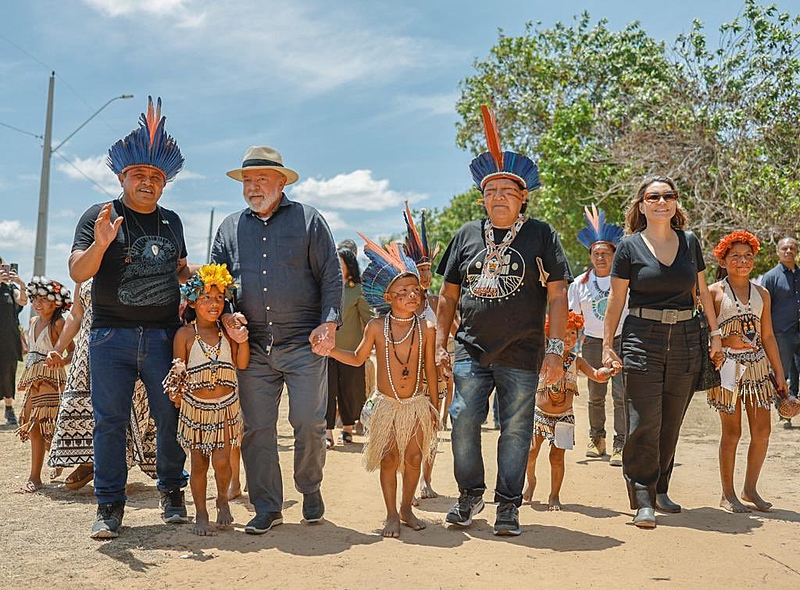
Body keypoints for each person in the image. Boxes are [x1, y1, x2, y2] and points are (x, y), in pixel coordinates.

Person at [436, 106, 571, 536]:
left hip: (523, 350)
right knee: (462, 420)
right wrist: (441, 342)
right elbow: (447, 294)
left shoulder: (541, 234)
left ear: (523, 197)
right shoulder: (465, 235)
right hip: (471, 350)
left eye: (507, 192)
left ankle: (508, 505)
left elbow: (558, 293)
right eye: (491, 191)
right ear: (482, 198)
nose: (498, 197)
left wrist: (555, 350)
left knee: (515, 429)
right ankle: (469, 494)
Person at [70, 97, 192, 539]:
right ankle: (108, 506)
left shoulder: (172, 221)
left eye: (156, 177)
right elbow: (78, 271)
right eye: (139, 174)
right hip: (109, 337)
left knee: (170, 416)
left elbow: (180, 269)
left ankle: (172, 494)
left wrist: (214, 278)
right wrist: (101, 244)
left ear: (165, 184)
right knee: (110, 421)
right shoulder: (99, 216)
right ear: (122, 176)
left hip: (162, 338)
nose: (148, 182)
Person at [211, 146, 342, 534]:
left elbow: (331, 277)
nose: (253, 187)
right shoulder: (229, 229)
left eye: (261, 179)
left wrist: (329, 323)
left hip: (305, 344)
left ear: (281, 182)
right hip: (253, 348)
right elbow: (218, 286)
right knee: (256, 428)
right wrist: (226, 314)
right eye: (248, 181)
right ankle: (267, 505)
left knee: (308, 422)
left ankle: (310, 487)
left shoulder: (309, 220)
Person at [603, 175, 724, 529]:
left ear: (675, 203)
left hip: (687, 336)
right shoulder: (628, 247)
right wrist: (608, 346)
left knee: (672, 419)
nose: (661, 201)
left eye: (668, 196)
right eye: (653, 196)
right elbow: (616, 299)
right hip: (642, 337)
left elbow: (702, 291)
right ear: (642, 205)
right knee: (644, 420)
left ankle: (660, 488)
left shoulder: (690, 242)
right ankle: (642, 497)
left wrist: (715, 334)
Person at [319, 237, 439, 537]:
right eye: (403, 291)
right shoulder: (376, 327)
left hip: (416, 405)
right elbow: (359, 358)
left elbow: (431, 372)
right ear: (388, 297)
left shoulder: (425, 328)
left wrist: (436, 408)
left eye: (415, 290)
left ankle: (406, 508)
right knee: (388, 459)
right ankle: (390, 515)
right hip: (386, 405)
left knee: (413, 458)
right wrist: (330, 351)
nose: (412, 295)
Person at [46, 278, 158, 489]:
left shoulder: (132, 261)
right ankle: (91, 461)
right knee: (86, 404)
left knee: (127, 404)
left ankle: (114, 466)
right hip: (88, 348)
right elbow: (76, 314)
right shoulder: (87, 268)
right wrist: (59, 349)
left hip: (127, 345)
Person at [166, 264, 249, 535]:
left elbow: (242, 363)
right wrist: (177, 375)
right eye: (205, 298)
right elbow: (177, 368)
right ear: (192, 301)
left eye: (218, 298)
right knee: (199, 462)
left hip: (226, 408)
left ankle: (222, 498)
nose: (213, 304)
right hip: (196, 410)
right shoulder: (185, 335)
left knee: (223, 462)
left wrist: (243, 338)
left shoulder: (228, 332)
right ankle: (201, 513)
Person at [707, 231, 785, 513]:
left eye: (748, 256)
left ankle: (750, 489)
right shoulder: (715, 292)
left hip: (758, 369)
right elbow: (706, 331)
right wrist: (725, 341)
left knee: (763, 431)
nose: (743, 261)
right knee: (732, 432)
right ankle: (727, 494)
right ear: (724, 260)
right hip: (727, 368)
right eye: (736, 256)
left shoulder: (762, 293)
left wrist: (779, 373)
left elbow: (768, 336)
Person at [523, 311, 615, 510]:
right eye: (563, 333)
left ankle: (554, 495)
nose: (568, 338)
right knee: (530, 452)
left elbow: (596, 375)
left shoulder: (577, 361)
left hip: (564, 417)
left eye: (572, 333)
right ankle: (530, 481)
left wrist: (606, 372)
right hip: (539, 415)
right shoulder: (542, 358)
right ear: (550, 335)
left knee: (556, 458)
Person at [570, 205, 626, 465]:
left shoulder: (625, 281)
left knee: (622, 394)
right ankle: (597, 438)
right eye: (596, 253)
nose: (601, 258)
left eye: (605, 253)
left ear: (614, 254)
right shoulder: (579, 283)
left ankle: (622, 443)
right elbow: (572, 319)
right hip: (591, 343)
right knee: (595, 393)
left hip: (622, 340)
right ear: (590, 255)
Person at [401, 203, 449, 500]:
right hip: (406, 377)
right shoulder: (401, 305)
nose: (427, 276)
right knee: (407, 434)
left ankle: (426, 481)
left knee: (431, 431)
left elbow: (452, 331)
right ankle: (409, 480)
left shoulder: (437, 301)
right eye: (421, 271)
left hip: (434, 377)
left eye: (430, 270)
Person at [16, 277, 72, 493]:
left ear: (56, 302)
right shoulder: (32, 322)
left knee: (50, 425)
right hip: (33, 379)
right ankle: (36, 476)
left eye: (43, 299)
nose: (37, 304)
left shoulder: (58, 323)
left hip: (52, 380)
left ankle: (45, 468)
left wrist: (60, 360)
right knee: (32, 426)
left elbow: (73, 352)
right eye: (35, 299)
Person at [325, 247, 371, 449]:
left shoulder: (357, 290)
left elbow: (369, 320)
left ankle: (347, 429)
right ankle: (327, 433)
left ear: (349, 265)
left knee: (350, 391)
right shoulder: (326, 287)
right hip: (326, 350)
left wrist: (372, 344)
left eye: (340, 261)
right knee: (326, 391)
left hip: (351, 352)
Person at [761, 237, 800, 428]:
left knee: (797, 375)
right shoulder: (770, 277)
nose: (788, 251)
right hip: (781, 334)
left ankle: (795, 406)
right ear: (778, 252)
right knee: (780, 374)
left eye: (792, 248)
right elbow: (763, 309)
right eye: (784, 248)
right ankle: (784, 414)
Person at [0, 258, 26, 425]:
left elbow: (23, 301)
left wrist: (21, 284)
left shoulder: (10, 289)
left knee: (9, 371)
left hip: (8, 338)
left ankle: (9, 409)